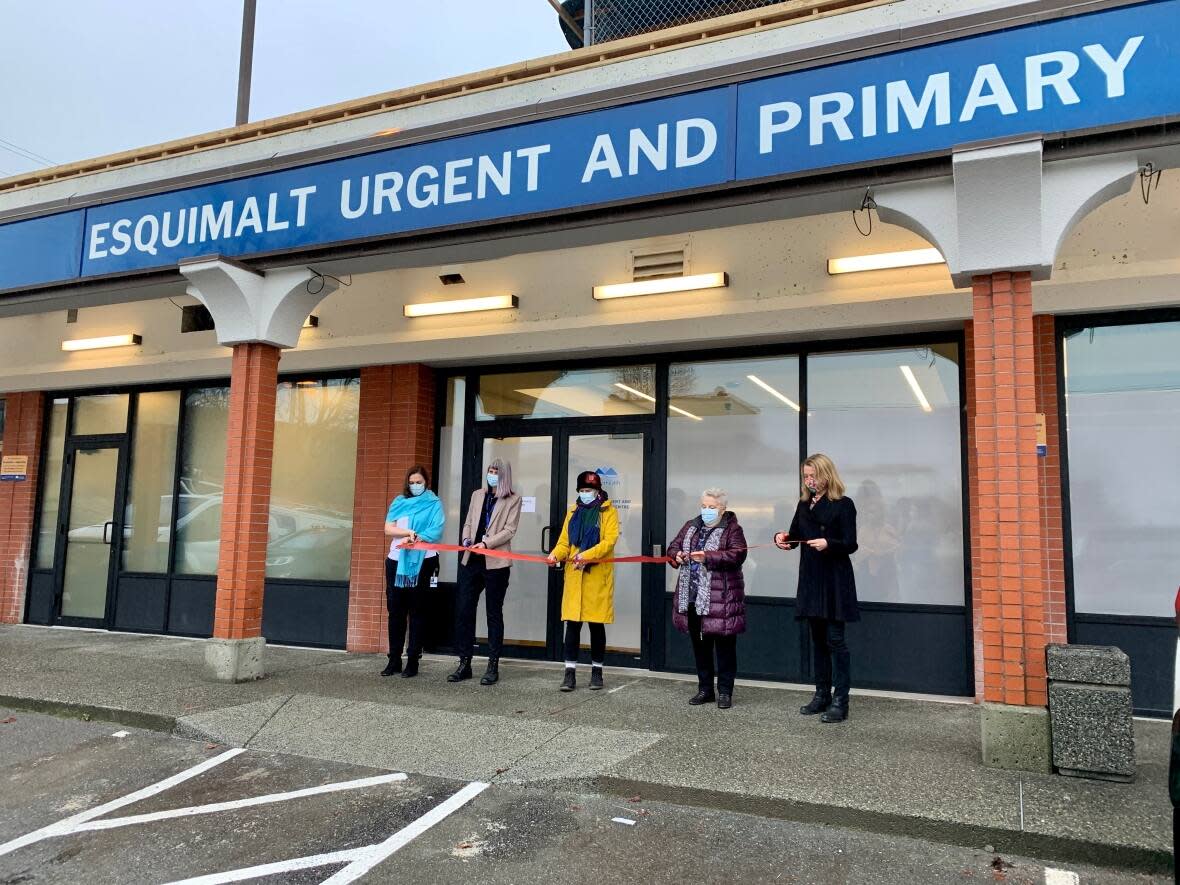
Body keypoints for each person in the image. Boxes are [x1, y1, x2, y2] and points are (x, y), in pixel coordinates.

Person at [774, 453, 859, 723]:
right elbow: (793, 537)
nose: (810, 480)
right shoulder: (803, 505)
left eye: (814, 475)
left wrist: (828, 543)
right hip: (811, 578)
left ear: (827, 475)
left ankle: (840, 700)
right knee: (818, 642)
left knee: (836, 640)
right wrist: (781, 539)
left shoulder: (844, 504)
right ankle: (821, 695)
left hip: (834, 579)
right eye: (806, 476)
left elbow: (850, 543)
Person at [667, 487, 748, 709]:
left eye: (712, 507)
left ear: (723, 509)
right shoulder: (690, 526)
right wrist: (678, 555)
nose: (707, 511)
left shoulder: (733, 529)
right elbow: (672, 547)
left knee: (724, 648)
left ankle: (725, 692)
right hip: (693, 597)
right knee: (700, 645)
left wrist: (708, 557)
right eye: (704, 506)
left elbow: (737, 555)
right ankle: (705, 689)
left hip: (721, 598)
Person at [448, 458, 523, 685]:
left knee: (493, 614)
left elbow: (510, 530)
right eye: (490, 471)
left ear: (504, 476)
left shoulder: (513, 499)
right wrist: (467, 539)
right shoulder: (477, 495)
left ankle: (492, 666)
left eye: (496, 472)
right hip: (472, 561)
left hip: (495, 564)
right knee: (464, 611)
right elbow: (469, 521)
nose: (491, 474)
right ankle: (465, 663)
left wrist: (487, 543)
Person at [547, 470, 620, 692]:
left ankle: (597, 672)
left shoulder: (608, 511)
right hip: (575, 576)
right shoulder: (573, 512)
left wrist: (586, 555)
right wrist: (555, 555)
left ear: (598, 492)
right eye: (582, 490)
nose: (585, 494)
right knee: (572, 625)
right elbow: (564, 542)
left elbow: (610, 541)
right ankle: (569, 674)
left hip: (596, 576)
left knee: (596, 626)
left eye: (589, 490)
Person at [383, 465, 445, 679]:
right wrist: (407, 533)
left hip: (424, 562)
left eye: (419, 482)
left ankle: (412, 660)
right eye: (412, 482)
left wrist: (418, 537)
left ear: (426, 482)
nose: (415, 485)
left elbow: (437, 530)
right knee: (396, 611)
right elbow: (388, 528)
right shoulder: (399, 502)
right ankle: (394, 659)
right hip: (396, 562)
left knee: (417, 611)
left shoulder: (434, 503)